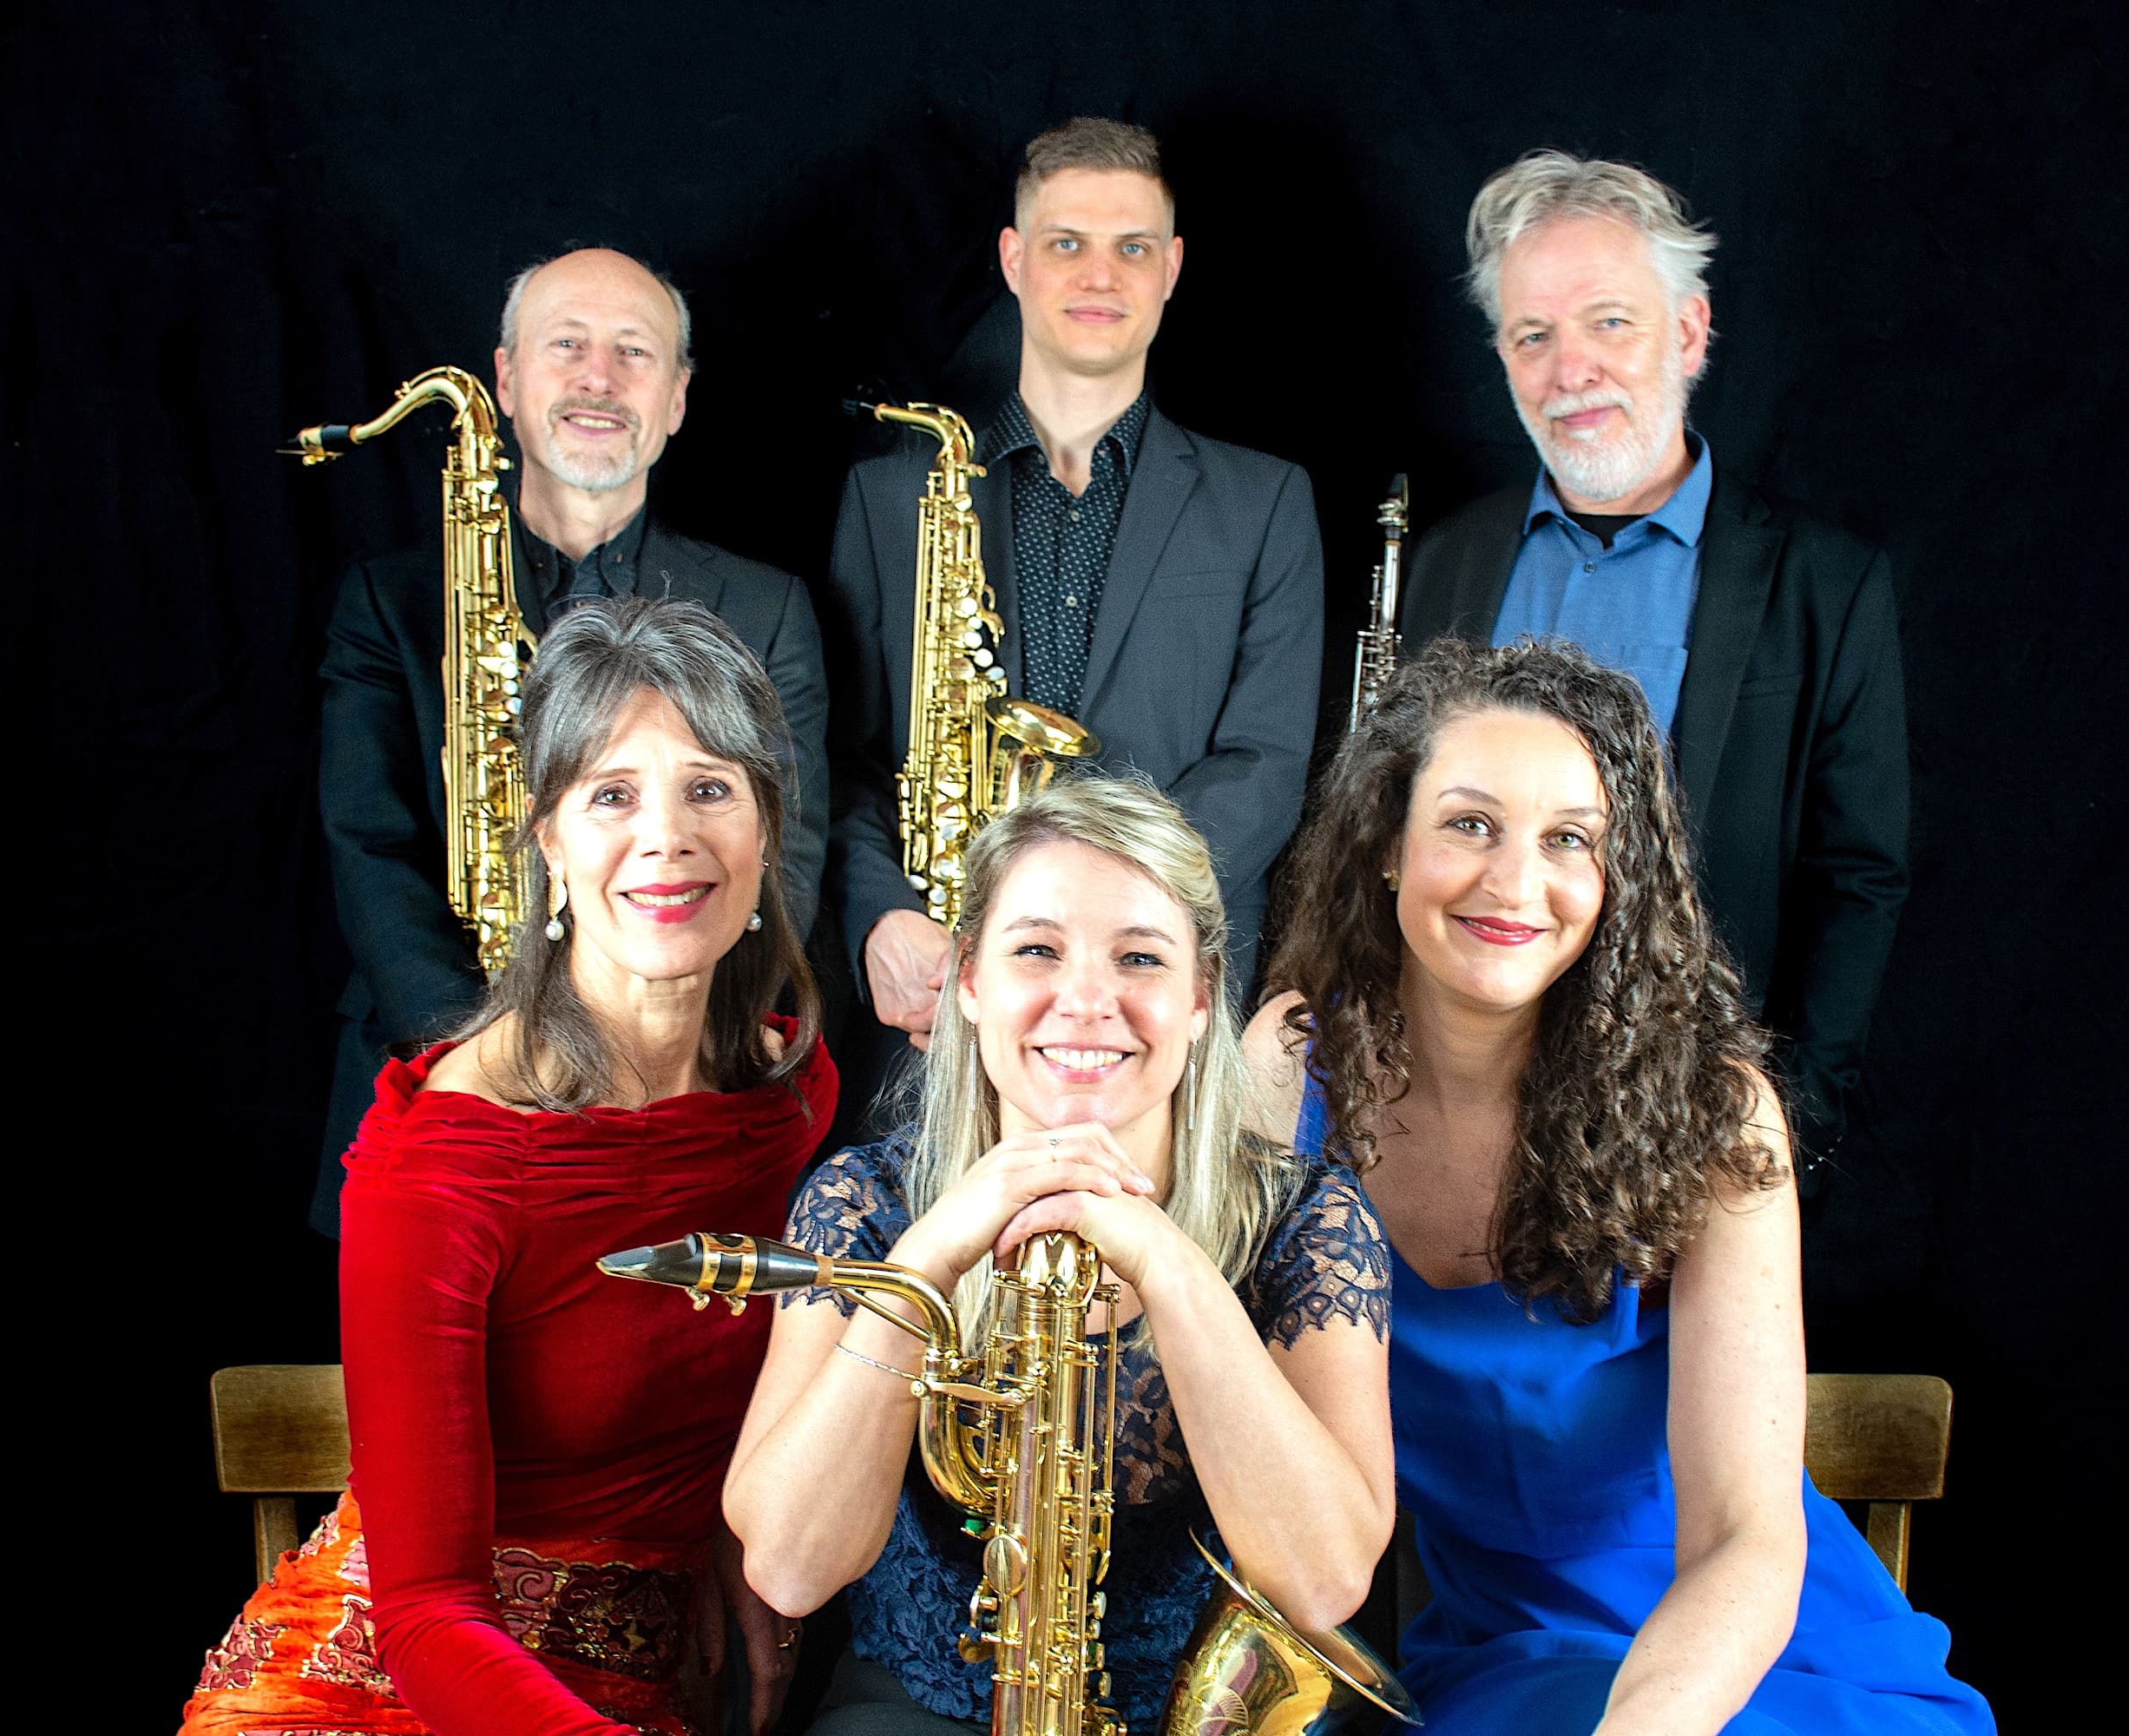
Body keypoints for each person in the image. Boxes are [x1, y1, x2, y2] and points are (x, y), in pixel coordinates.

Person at [1249, 638, 1990, 1735]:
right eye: (1469, 824)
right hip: (1505, 1654)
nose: (1515, 882)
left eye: (1569, 839)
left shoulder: (1717, 1111)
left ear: (1616, 878)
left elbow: (1746, 1537)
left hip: (1756, 1648)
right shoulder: (1291, 1067)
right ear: (1388, 844)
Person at [184, 599, 838, 1736]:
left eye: (710, 787)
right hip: (392, 1688)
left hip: (639, 1679)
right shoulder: (445, 1159)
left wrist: (734, 1535)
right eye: (612, 795)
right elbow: (427, 1614)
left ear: (767, 830)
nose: (667, 835)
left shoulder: (788, 1092)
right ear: (549, 844)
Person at [729, 777, 1389, 1735]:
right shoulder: (866, 1203)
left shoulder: (1307, 1219)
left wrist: (1169, 1265)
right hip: (916, 1712)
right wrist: (925, 1264)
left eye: (1140, 957)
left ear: (1201, 997)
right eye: (1037, 949)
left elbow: (1324, 1581)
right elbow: (790, 1569)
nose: (1086, 1000)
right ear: (968, 980)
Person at [1400, 152, 1909, 1192]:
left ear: (1688, 332)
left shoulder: (1824, 582)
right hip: (1442, 1115)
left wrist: (1784, 1128)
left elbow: (1858, 877)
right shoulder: (1449, 558)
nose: (1570, 370)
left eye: (1609, 322)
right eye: (1533, 335)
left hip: (1692, 1127)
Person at [315, 246, 831, 1233]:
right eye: (568, 346)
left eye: (634, 352)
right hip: (439, 1088)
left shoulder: (766, 608)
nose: (600, 377)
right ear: (507, 380)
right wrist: (489, 1063)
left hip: (687, 1097)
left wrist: (672, 1058)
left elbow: (783, 852)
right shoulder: (389, 602)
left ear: (676, 398)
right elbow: (370, 849)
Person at [825, 117, 1324, 1105]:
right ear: (1014, 259)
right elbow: (840, 754)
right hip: (936, 1011)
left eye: (1132, 247)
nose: (1101, 275)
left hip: (1158, 1013)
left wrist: (1089, 932)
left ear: (1172, 268)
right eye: (1067, 243)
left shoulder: (1265, 502)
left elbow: (1265, 765)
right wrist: (881, 916)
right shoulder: (888, 496)